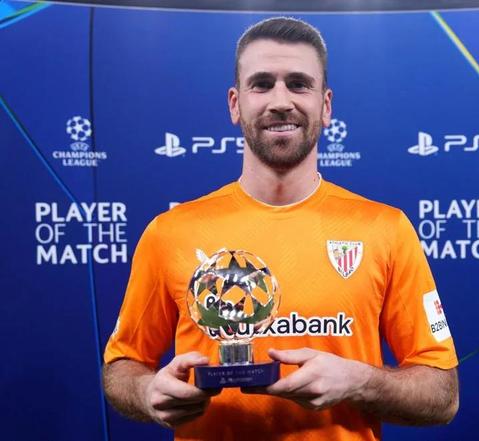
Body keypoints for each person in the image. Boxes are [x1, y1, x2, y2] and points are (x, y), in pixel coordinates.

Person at [103, 17, 459, 441]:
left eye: (298, 84)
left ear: (326, 106)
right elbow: (121, 366)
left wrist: (359, 381)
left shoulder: (386, 229)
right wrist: (146, 392)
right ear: (235, 104)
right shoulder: (171, 232)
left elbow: (442, 394)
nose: (280, 101)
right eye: (261, 84)